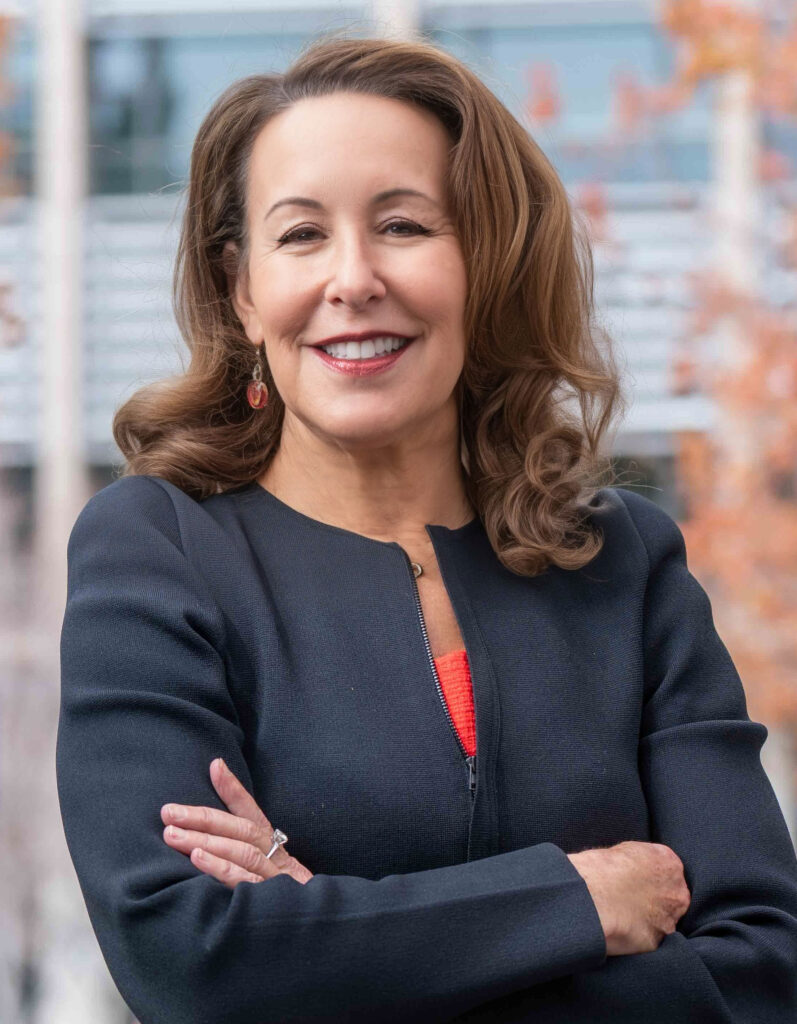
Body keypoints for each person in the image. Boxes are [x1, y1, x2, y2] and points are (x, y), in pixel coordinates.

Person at [56, 32, 797, 1024]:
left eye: (403, 226)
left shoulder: (626, 564)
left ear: (485, 263)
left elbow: (759, 973)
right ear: (241, 290)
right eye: (301, 235)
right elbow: (189, 960)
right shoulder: (155, 551)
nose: (352, 277)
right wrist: (575, 901)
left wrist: (324, 934)